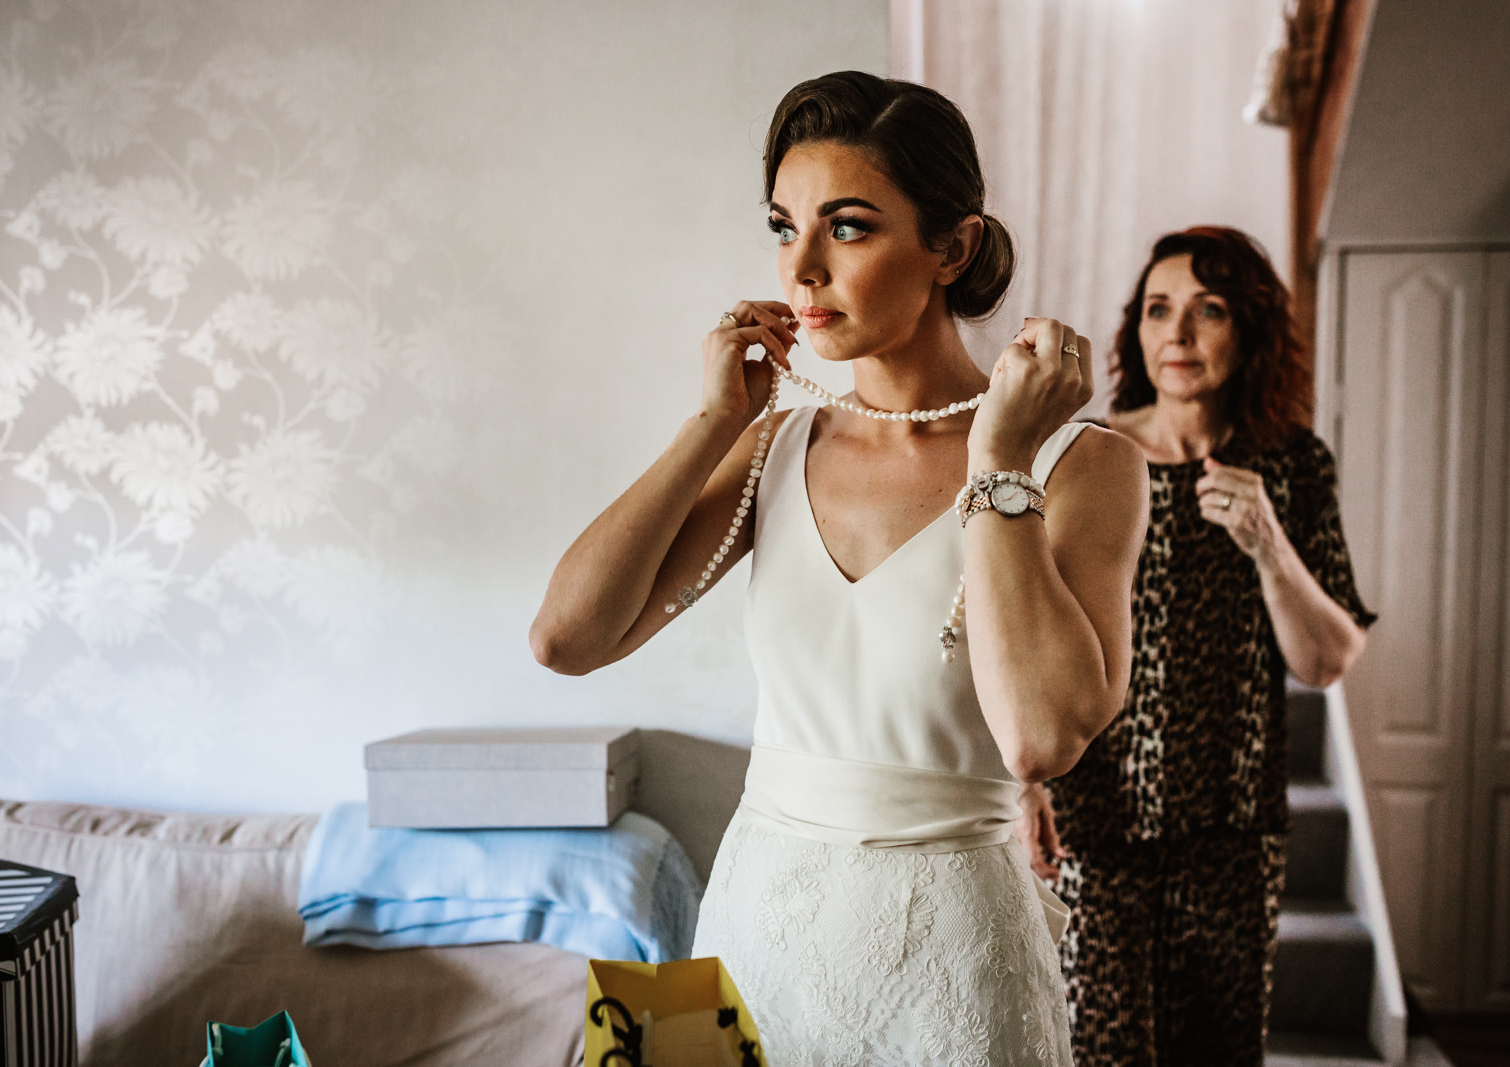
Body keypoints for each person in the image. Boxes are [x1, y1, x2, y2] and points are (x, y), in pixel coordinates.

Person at [530, 71, 1148, 1064]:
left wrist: (996, 462)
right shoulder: (769, 445)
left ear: (953, 246)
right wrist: (712, 423)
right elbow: (564, 638)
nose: (800, 269)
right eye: (783, 227)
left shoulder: (1085, 465)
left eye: (847, 227)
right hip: (754, 928)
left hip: (954, 958)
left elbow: (1040, 740)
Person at [1015, 226, 1376, 1067]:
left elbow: (1324, 661)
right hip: (1092, 823)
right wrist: (1023, 777)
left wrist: (1269, 545)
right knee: (1105, 1053)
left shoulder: (1293, 466)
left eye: (1207, 311)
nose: (1177, 334)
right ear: (1136, 332)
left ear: (1247, 329)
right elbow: (1024, 626)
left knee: (1218, 1052)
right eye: (1158, 310)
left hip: (1233, 830)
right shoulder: (1086, 457)